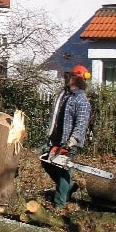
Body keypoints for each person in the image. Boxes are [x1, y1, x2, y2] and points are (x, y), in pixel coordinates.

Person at [41, 65, 92, 209]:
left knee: (63, 170)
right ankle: (69, 186)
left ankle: (59, 204)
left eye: (70, 77)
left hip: (69, 142)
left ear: (77, 79)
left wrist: (72, 141)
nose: (67, 79)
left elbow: (81, 124)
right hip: (56, 139)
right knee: (45, 160)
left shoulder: (82, 101)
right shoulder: (65, 96)